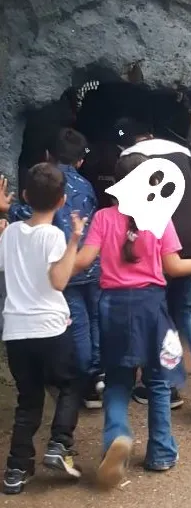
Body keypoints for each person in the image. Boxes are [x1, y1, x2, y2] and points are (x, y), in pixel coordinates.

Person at [72, 152, 191, 489]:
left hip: (113, 309)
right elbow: (175, 268)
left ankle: (117, 438)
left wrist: (62, 251)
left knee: (119, 381)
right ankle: (162, 451)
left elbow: (82, 262)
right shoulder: (160, 219)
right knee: (157, 381)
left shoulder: (103, 218)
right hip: (152, 308)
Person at [118, 120, 191, 413]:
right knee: (189, 311)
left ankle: (165, 385)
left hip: (159, 242)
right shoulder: (181, 150)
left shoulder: (129, 158)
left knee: (159, 314)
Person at [0, 163, 85, 495]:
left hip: (17, 332)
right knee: (71, 383)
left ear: (24, 196)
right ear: (62, 201)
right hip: (50, 327)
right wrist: (75, 239)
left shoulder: (10, 234)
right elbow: (59, 280)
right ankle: (59, 444)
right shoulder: (54, 235)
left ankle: (16, 469)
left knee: (29, 399)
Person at [9, 128, 103, 409]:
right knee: (96, 319)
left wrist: (8, 210)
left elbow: (27, 216)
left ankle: (86, 380)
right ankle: (100, 374)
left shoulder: (46, 185)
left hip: (66, 269)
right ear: (80, 161)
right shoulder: (86, 186)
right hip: (92, 264)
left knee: (79, 327)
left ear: (47, 155)